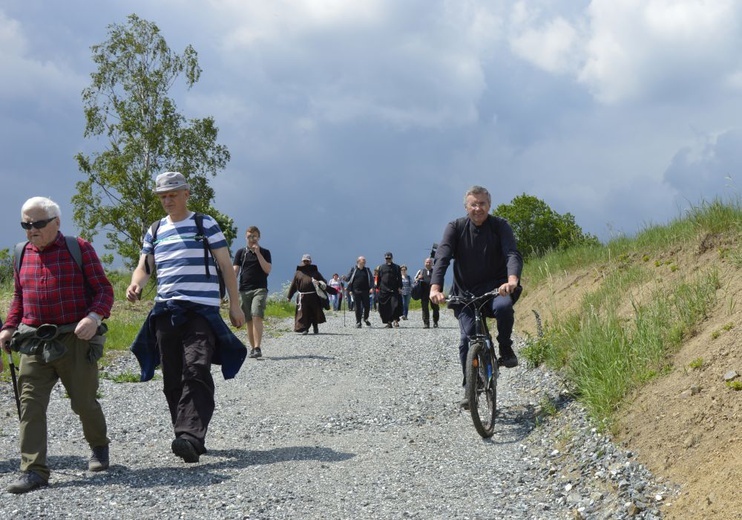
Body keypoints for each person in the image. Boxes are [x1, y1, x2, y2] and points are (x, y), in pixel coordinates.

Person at [126, 171, 246, 464]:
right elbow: (144, 267)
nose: (167, 200)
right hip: (165, 310)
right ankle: (187, 435)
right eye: (163, 196)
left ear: (186, 194)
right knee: (172, 376)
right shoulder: (155, 230)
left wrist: (235, 304)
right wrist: (136, 284)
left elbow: (226, 265)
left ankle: (190, 436)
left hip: (201, 311)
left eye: (173, 194)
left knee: (196, 367)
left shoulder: (204, 224)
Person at [0, 197, 114, 494]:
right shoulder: (21, 253)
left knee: (83, 402)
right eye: (26, 224)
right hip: (34, 341)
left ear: (56, 222)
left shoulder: (79, 248)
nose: (31, 230)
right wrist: (9, 326)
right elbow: (19, 298)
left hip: (74, 339)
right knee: (30, 405)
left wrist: (93, 316)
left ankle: (99, 447)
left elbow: (104, 289)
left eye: (37, 223)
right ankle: (33, 470)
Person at [430, 185, 523, 404]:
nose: (478, 208)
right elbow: (442, 257)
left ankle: (506, 347)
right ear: (466, 207)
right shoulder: (455, 227)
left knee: (503, 308)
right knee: (466, 338)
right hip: (466, 294)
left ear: (489, 205)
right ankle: (470, 386)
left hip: (496, 288)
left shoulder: (500, 226)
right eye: (474, 204)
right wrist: (435, 287)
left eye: (482, 203)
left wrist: (512, 280)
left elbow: (512, 253)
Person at [233, 226, 272, 359]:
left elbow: (267, 270)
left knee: (257, 315)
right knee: (248, 320)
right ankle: (253, 348)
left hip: (259, 289)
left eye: (254, 236)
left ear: (258, 237)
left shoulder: (265, 252)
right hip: (244, 289)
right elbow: (235, 271)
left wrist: (258, 253)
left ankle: (257, 347)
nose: (251, 239)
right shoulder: (241, 253)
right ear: (246, 237)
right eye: (249, 236)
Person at [287, 254, 328, 334]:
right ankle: (305, 329)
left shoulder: (315, 272)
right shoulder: (298, 273)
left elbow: (324, 282)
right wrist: (289, 296)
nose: (306, 262)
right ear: (302, 261)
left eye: (307, 261)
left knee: (314, 312)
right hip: (302, 297)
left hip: (313, 296)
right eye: (304, 261)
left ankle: (315, 327)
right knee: (303, 313)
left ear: (310, 262)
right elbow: (293, 285)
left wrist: (318, 283)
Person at [376, 252, 403, 328]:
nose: (388, 259)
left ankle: (396, 320)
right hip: (384, 290)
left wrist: (400, 287)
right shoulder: (381, 267)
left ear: (392, 258)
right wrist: (378, 287)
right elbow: (379, 279)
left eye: (389, 258)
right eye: (386, 258)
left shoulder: (397, 267)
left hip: (394, 290)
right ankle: (389, 322)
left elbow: (399, 278)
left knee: (395, 305)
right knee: (385, 307)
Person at [346, 256, 373, 328]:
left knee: (367, 306)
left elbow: (371, 279)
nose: (364, 261)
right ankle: (358, 322)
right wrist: (344, 278)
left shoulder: (367, 270)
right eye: (363, 260)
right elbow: (348, 278)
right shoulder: (353, 269)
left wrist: (371, 288)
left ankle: (365, 318)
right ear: (358, 261)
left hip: (365, 291)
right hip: (356, 291)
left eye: (364, 260)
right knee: (357, 307)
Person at [415, 257, 440, 328]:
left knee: (435, 308)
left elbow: (439, 280)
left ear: (432, 263)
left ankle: (435, 322)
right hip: (424, 293)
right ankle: (426, 323)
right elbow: (415, 280)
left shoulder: (435, 271)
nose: (428, 263)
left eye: (429, 262)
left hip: (433, 293)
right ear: (424, 263)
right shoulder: (421, 271)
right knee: (425, 308)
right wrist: (418, 278)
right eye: (427, 262)